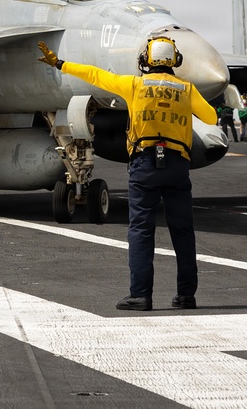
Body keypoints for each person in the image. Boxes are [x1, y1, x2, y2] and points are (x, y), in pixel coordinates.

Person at [37, 37, 216, 311]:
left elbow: (95, 75)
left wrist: (60, 63)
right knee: (183, 231)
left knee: (141, 230)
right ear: (174, 61)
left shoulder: (134, 85)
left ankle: (140, 296)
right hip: (178, 165)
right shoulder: (186, 89)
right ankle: (186, 296)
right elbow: (211, 117)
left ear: (146, 60)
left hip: (145, 164)